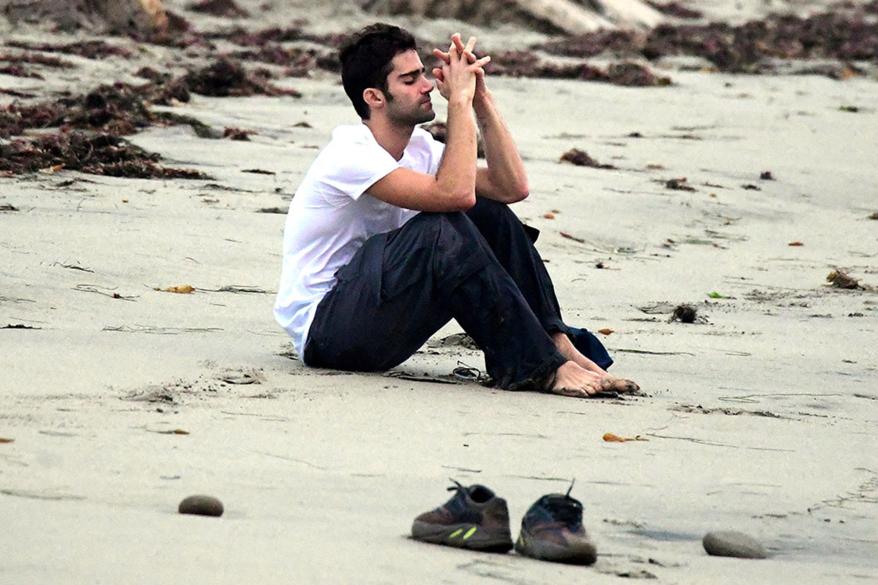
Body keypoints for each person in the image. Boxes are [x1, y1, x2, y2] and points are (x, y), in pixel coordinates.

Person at [274, 23, 639, 398]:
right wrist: (458, 103)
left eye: (423, 74)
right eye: (410, 79)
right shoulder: (349, 154)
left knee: (489, 214)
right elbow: (455, 195)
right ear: (374, 97)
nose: (427, 85)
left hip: (380, 321)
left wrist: (481, 99)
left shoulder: (418, 148)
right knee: (440, 228)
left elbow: (511, 187)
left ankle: (555, 344)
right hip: (329, 331)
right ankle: (539, 367)